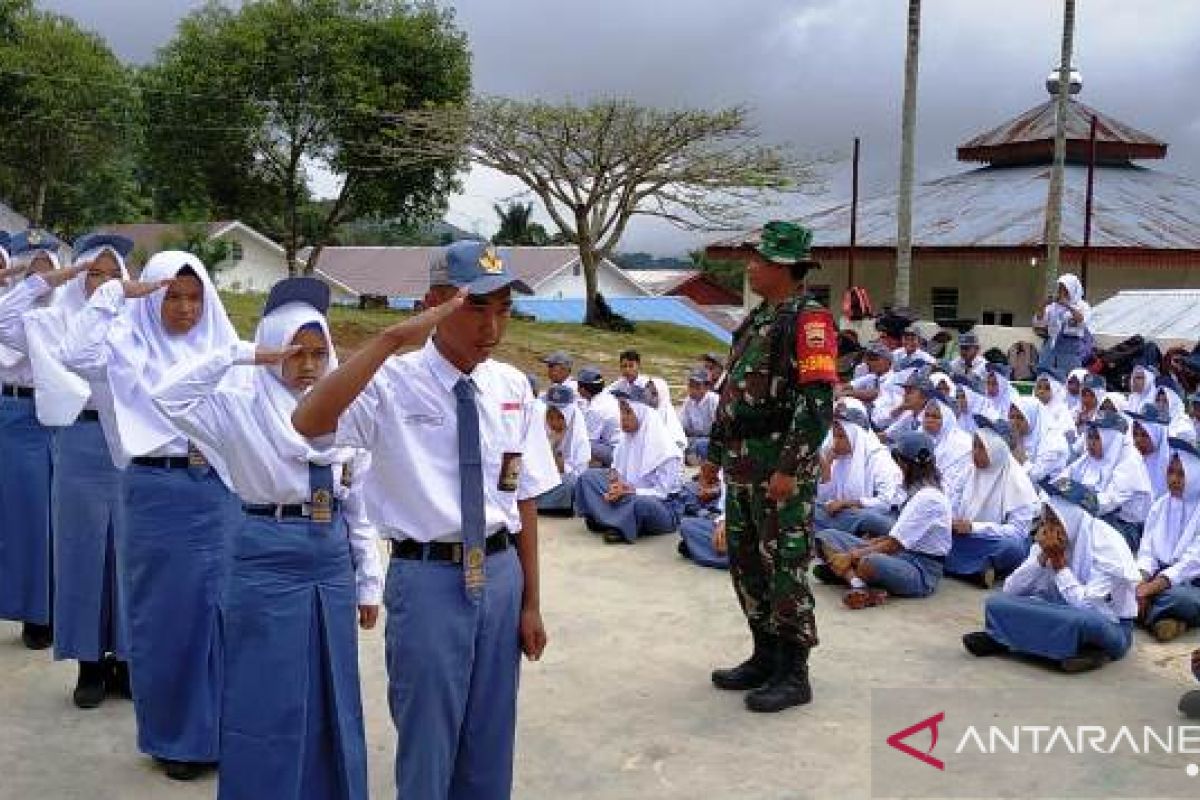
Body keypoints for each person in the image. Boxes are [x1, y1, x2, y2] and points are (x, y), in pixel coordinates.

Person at [291, 240, 557, 800]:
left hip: (502, 571)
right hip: (429, 576)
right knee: (428, 736)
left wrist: (531, 601)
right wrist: (388, 341)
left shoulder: (510, 387)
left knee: (490, 734)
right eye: (476, 307)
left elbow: (525, 496)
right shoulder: (390, 381)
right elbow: (309, 421)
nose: (493, 326)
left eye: (504, 309)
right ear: (435, 303)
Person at [150, 278, 383, 799]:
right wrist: (242, 354)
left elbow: (360, 503)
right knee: (266, 692)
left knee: (333, 688)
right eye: (296, 351)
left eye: (319, 352)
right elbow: (167, 395)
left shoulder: (343, 409)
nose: (308, 364)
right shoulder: (237, 407)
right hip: (267, 552)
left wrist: (369, 581)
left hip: (330, 557)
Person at [58, 250, 244, 780]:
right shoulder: (124, 347)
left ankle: (217, 731)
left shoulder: (221, 347)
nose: (184, 308)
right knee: (167, 617)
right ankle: (176, 739)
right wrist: (117, 293)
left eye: (193, 297)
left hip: (216, 491)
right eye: (171, 295)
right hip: (157, 490)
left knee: (219, 615)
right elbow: (74, 351)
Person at [705, 220, 836, 713]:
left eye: (758, 260)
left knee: (785, 566)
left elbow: (817, 402)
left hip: (779, 473)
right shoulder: (758, 319)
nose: (750, 267)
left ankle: (794, 671)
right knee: (746, 565)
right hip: (741, 470)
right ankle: (764, 655)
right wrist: (713, 458)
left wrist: (789, 468)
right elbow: (730, 394)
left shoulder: (810, 322)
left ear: (784, 267)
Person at [0, 232, 134, 707]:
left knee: (126, 553)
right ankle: (89, 663)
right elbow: (3, 320)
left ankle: (126, 661)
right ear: (78, 276)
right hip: (78, 437)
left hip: (128, 442)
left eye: (110, 274)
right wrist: (43, 282)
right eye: (92, 273)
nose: (101, 284)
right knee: (80, 551)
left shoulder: (134, 321)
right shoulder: (54, 319)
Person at [963, 478, 1139, 673]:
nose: (1048, 527)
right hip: (1056, 608)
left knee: (1082, 621)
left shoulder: (1107, 545)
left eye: (1055, 520)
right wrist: (1043, 556)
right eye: (1046, 519)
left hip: (1110, 624)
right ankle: (1062, 648)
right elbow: (1011, 589)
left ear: (1071, 520)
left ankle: (1006, 638)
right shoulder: (1049, 538)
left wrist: (1059, 565)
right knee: (997, 603)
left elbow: (1090, 607)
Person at [0, 230, 63, 651]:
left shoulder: (67, 312)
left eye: (49, 266)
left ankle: (60, 607)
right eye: (32, 265)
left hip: (62, 418)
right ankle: (34, 612)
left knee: (61, 520)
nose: (42, 274)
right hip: (17, 412)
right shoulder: (11, 311)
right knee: (27, 518)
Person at [814, 429, 952, 607]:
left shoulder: (928, 497)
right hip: (899, 554)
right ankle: (859, 585)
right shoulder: (915, 490)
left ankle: (849, 576)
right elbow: (892, 537)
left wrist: (850, 555)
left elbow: (893, 545)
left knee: (869, 562)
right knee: (827, 537)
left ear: (905, 464)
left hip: (920, 569)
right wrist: (860, 547)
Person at [574, 386, 683, 544]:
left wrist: (630, 490)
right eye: (621, 412)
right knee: (588, 477)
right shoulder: (625, 441)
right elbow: (615, 470)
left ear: (643, 415)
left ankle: (615, 522)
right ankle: (615, 519)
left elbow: (663, 493)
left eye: (628, 412)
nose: (622, 418)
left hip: (660, 506)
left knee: (640, 503)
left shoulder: (667, 452)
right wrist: (614, 484)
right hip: (625, 495)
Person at [946, 418, 1039, 588]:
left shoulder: (1017, 479)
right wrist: (951, 520)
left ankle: (953, 564)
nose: (975, 452)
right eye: (974, 446)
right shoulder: (970, 469)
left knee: (1013, 548)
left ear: (995, 450)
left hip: (992, 539)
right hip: (962, 534)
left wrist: (974, 528)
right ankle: (977, 570)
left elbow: (1018, 531)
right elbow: (953, 498)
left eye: (982, 448)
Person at [1134, 439, 1200, 643]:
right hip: (1156, 577)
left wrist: (1148, 590)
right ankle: (1165, 620)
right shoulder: (1160, 505)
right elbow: (1146, 553)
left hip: (1191, 583)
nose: (1174, 479)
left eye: (1181, 474)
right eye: (1170, 472)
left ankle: (1140, 614)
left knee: (1182, 599)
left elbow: (1191, 563)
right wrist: (1139, 583)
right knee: (1120, 581)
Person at [1062, 412, 1152, 552]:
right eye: (1089, 437)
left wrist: (1077, 497)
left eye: (1097, 438)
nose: (1090, 443)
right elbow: (1066, 475)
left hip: (1126, 527)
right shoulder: (1091, 455)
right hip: (1099, 516)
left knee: (1077, 529)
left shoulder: (1130, 460)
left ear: (1111, 439)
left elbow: (1109, 501)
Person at [814, 406, 903, 538]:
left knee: (864, 517)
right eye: (834, 437)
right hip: (845, 516)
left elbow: (886, 503)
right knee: (814, 507)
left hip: (876, 518)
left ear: (856, 436)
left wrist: (847, 503)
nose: (834, 443)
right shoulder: (838, 458)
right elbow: (826, 501)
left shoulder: (879, 458)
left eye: (840, 437)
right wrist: (826, 470)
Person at [534, 384, 590, 515]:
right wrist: (551, 443)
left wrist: (557, 452)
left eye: (560, 418)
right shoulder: (540, 428)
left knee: (571, 484)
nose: (554, 423)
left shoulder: (578, 435)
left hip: (564, 482)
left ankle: (536, 505)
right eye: (551, 418)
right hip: (542, 480)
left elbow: (578, 472)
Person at [919, 393, 974, 507]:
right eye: (927, 415)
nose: (929, 420)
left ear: (947, 419)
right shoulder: (919, 436)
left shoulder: (962, 446)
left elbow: (955, 489)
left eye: (935, 417)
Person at [1009, 397, 1070, 483]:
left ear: (1032, 416)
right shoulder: (1022, 435)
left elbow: (1035, 477)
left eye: (1020, 417)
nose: (1014, 422)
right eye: (1011, 417)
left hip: (1047, 492)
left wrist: (1016, 449)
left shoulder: (1054, 443)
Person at [1038, 273, 1092, 372]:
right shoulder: (1054, 306)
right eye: (1060, 288)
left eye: (1064, 289)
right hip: (1051, 345)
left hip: (1070, 346)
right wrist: (1042, 306)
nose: (1061, 291)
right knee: (1046, 375)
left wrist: (1068, 305)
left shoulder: (1082, 305)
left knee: (1068, 377)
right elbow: (1040, 321)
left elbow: (1082, 321)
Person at [677, 468, 728, 569]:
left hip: (755, 524)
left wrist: (729, 521)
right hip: (726, 515)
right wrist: (723, 520)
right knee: (687, 524)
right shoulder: (726, 461)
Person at [576, 366, 620, 467]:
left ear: (582, 389)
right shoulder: (608, 396)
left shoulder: (596, 409)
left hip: (616, 453)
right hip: (621, 447)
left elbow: (588, 440)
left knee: (582, 443)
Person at [1129, 404, 1172, 497]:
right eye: (1135, 434)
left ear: (1157, 435)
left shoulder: (1171, 466)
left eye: (1145, 435)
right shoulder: (1130, 459)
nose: (1138, 440)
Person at [679, 366, 718, 466]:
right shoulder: (688, 401)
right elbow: (682, 426)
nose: (692, 390)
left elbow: (718, 430)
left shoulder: (714, 400)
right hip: (696, 438)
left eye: (697, 386)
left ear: (706, 387)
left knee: (700, 444)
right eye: (690, 386)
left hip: (713, 440)